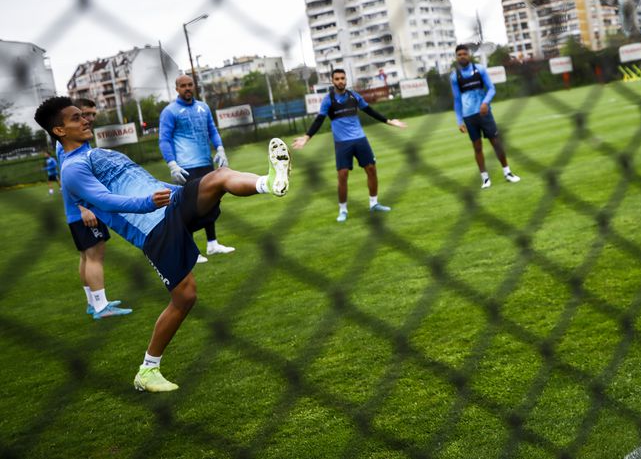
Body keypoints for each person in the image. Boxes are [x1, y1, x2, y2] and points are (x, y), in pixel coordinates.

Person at [36, 96, 291, 392]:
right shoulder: (72, 169)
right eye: (76, 118)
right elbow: (105, 200)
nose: (86, 120)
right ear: (59, 131)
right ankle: (148, 370)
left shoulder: (86, 151)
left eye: (84, 115)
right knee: (186, 298)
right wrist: (146, 202)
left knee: (219, 177)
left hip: (171, 200)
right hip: (153, 227)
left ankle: (269, 183)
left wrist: (166, 190)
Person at [292, 68, 406, 222]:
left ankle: (374, 203)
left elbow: (370, 111)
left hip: (360, 139)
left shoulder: (354, 96)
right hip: (342, 143)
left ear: (346, 80)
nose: (340, 81)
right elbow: (319, 120)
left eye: (343, 78)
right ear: (332, 81)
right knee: (342, 175)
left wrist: (389, 121)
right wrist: (307, 137)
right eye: (337, 78)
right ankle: (343, 210)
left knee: (371, 169)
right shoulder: (328, 100)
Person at [56, 98, 131, 319]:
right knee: (95, 254)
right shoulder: (66, 145)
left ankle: (93, 302)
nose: (89, 119)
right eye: (84, 114)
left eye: (92, 114)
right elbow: (67, 178)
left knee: (86, 255)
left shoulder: (73, 141)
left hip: (78, 209)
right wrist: (83, 208)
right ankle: (101, 307)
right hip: (83, 210)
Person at [159, 75, 234, 262]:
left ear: (194, 86)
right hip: (186, 167)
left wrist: (220, 149)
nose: (187, 88)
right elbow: (164, 140)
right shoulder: (170, 111)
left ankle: (212, 244)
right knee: (190, 209)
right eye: (183, 86)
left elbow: (212, 130)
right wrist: (172, 164)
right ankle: (190, 251)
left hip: (206, 163)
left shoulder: (204, 107)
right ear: (176, 88)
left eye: (190, 85)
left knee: (212, 204)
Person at [450, 44, 521, 188]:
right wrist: (459, 120)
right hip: (469, 117)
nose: (462, 56)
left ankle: (507, 173)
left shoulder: (479, 69)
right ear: (456, 57)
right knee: (477, 147)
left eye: (464, 53)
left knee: (496, 143)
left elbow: (492, 89)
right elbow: (457, 100)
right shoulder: (454, 77)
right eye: (459, 54)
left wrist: (485, 103)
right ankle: (485, 179)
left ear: (469, 55)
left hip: (484, 113)